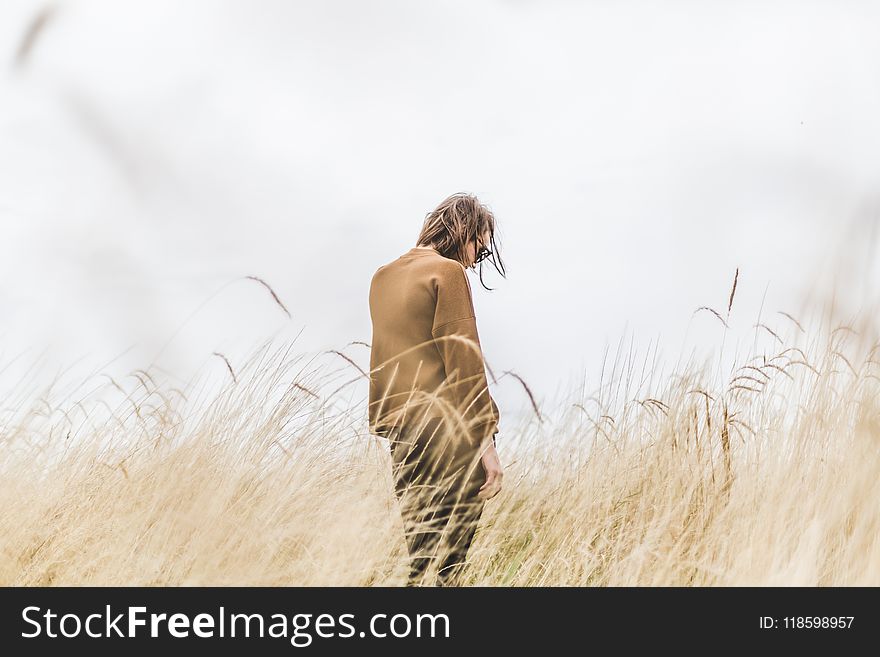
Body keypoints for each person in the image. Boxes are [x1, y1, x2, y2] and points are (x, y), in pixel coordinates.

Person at [368, 192, 506, 586]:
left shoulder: (382, 277)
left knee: (419, 555)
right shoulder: (446, 272)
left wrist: (389, 425)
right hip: (449, 432)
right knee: (451, 565)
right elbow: (463, 360)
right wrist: (487, 442)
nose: (475, 259)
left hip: (402, 434)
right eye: (478, 247)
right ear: (462, 230)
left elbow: (385, 360)